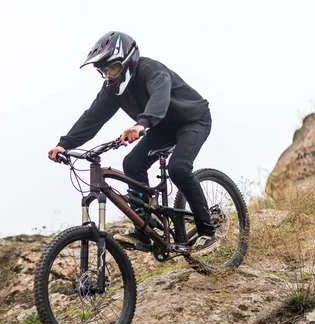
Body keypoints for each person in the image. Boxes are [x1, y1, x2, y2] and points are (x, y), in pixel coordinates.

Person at [48, 31, 217, 255]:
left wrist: (141, 124)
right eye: (104, 71)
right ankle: (145, 226)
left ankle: (207, 229)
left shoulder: (151, 70)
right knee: (132, 163)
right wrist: (65, 144)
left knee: (178, 167)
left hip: (192, 120)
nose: (109, 75)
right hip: (160, 128)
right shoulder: (112, 89)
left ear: (129, 61)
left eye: (113, 68)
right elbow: (93, 117)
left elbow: (160, 97)